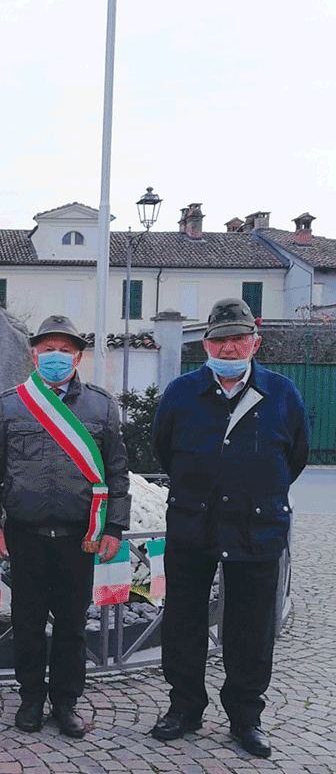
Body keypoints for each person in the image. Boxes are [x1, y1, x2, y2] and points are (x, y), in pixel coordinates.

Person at [150, 298, 308, 759]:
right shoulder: (181, 392)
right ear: (206, 344)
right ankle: (184, 708)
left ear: (255, 342)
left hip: (256, 528)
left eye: (240, 338)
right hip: (192, 525)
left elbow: (294, 457)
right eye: (221, 338)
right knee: (183, 620)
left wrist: (253, 491)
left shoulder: (282, 393)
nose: (231, 346)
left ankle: (245, 718)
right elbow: (164, 449)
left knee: (252, 627)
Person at [0, 314, 130, 738]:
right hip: (26, 536)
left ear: (78, 356)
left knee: (71, 626)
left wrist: (114, 527)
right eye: (48, 349)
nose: (55, 357)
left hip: (81, 538)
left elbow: (117, 473)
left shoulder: (101, 405)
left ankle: (65, 702)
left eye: (65, 350)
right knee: (26, 622)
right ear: (34, 354)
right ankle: (30, 699)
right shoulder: (10, 404)